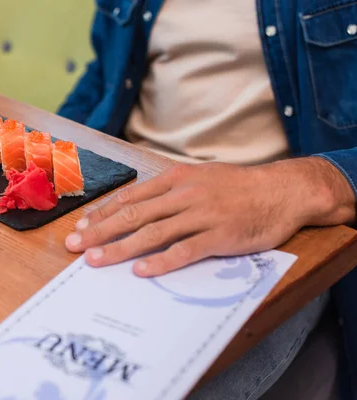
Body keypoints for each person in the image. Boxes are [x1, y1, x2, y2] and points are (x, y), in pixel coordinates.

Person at [58, 1, 357, 399]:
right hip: (122, 192)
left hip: (270, 222)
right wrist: (50, 151)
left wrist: (310, 184)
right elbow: (103, 79)